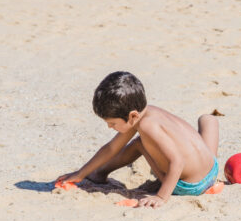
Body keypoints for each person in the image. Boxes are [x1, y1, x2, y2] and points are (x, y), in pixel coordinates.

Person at [56, 71, 219, 208]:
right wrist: (81, 173)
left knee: (139, 144)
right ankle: (97, 172)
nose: (110, 127)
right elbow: (111, 148)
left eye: (112, 123)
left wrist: (161, 197)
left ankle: (100, 172)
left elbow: (177, 162)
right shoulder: (149, 112)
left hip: (190, 187)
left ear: (132, 116)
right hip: (212, 169)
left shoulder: (148, 126)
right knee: (207, 120)